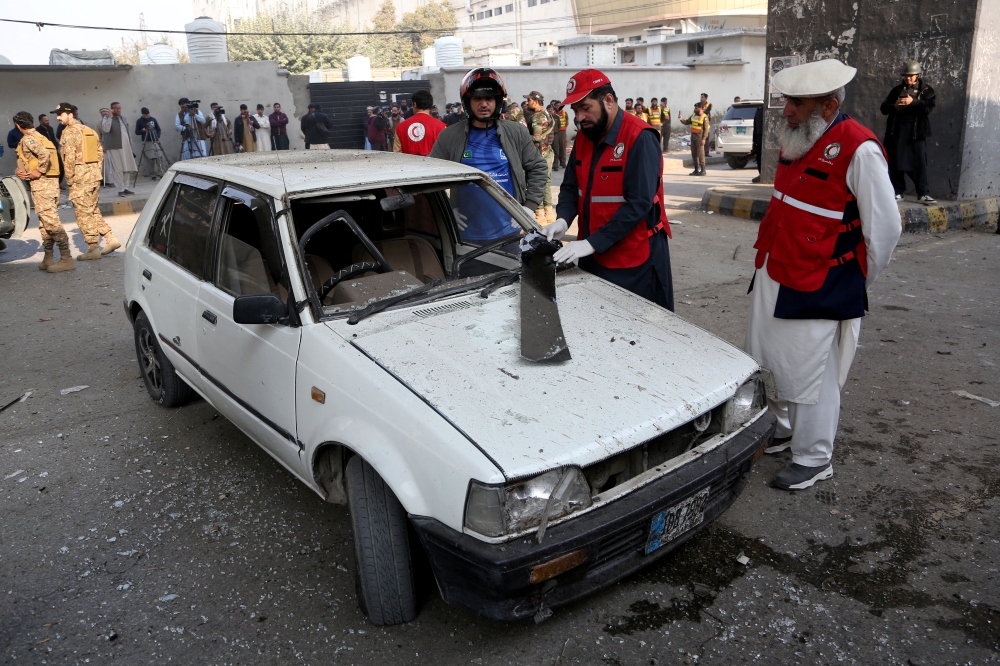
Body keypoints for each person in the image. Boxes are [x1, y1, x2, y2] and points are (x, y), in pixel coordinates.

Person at [746, 59, 901, 491]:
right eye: (786, 101)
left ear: (829, 105)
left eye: (797, 103)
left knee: (809, 372)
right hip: (775, 270)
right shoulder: (798, 138)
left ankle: (814, 456)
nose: (786, 111)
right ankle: (781, 428)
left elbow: (885, 231)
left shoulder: (859, 148)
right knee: (768, 359)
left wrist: (855, 280)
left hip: (820, 281)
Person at [542, 69, 674, 311]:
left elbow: (638, 205)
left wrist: (592, 243)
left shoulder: (639, 138)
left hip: (633, 259)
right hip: (592, 254)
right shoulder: (584, 137)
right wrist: (562, 219)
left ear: (609, 101)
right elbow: (572, 187)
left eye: (586, 108)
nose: (580, 117)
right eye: (575, 111)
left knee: (636, 332)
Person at [429, 68, 548, 244]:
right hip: (465, 234)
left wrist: (529, 207)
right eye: (477, 98)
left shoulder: (516, 133)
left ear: (498, 100)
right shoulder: (450, 136)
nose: (483, 104)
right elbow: (428, 175)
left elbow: (538, 167)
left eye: (489, 98)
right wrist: (446, 209)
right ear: (467, 101)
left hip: (510, 231)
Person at [55, 102, 120, 260]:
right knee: (92, 210)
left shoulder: (69, 132)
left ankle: (92, 248)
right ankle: (110, 238)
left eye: (61, 114)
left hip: (80, 179)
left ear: (70, 114)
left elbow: (68, 160)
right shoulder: (88, 130)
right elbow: (100, 153)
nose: (58, 117)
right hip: (93, 177)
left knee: (83, 214)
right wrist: (95, 172)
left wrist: (70, 181)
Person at [13, 111, 75, 272]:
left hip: (42, 185)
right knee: (44, 223)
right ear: (32, 122)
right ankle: (48, 257)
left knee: (52, 222)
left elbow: (44, 154)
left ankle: (66, 258)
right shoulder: (41, 136)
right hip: (49, 184)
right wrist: (22, 171)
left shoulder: (29, 139)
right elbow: (31, 160)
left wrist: (38, 171)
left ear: (18, 126)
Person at [880, 60, 936, 203]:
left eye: (911, 75)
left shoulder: (926, 91)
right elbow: (884, 108)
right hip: (897, 131)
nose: (908, 78)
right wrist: (895, 106)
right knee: (895, 161)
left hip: (916, 132)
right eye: (905, 75)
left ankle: (923, 193)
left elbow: (928, 108)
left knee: (919, 163)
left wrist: (913, 102)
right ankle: (898, 192)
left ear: (917, 75)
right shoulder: (897, 90)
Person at [524, 91, 556, 224]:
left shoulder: (537, 117)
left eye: (529, 100)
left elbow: (537, 138)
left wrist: (523, 135)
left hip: (539, 154)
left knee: (536, 182)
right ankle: (549, 214)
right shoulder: (547, 114)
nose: (527, 102)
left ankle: (539, 216)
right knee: (546, 182)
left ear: (536, 101)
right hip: (548, 151)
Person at [393, 89, 446, 156]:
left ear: (414, 104)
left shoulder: (400, 127)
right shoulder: (442, 127)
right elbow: (446, 153)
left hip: (409, 165)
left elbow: (397, 154)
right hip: (434, 165)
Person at [100, 102, 137, 196]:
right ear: (111, 109)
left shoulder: (123, 118)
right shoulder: (106, 118)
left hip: (126, 147)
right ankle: (120, 189)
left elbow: (127, 132)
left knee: (127, 167)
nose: (118, 110)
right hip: (115, 146)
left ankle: (126, 188)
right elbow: (106, 129)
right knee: (118, 169)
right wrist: (110, 117)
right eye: (115, 108)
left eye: (119, 108)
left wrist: (131, 146)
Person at [134, 107, 167, 179]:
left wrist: (157, 135)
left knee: (159, 157)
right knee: (149, 159)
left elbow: (158, 129)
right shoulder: (139, 121)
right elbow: (136, 132)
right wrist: (142, 131)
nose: (146, 116)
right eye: (145, 114)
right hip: (147, 141)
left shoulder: (153, 119)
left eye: (147, 114)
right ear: (142, 114)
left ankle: (161, 172)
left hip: (155, 140)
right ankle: (152, 174)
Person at [679, 102, 709, 176]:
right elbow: (687, 122)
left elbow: (706, 129)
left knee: (700, 154)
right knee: (694, 154)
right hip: (693, 137)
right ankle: (696, 170)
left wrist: (704, 139)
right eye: (695, 107)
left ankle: (703, 170)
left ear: (701, 108)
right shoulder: (693, 115)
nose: (695, 109)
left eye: (697, 108)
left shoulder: (704, 117)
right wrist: (681, 119)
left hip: (700, 138)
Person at [36, 114, 64, 184]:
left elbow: (53, 138)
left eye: (48, 120)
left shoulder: (50, 128)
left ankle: (58, 183)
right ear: (41, 121)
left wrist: (56, 145)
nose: (47, 122)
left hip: (54, 151)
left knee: (61, 167)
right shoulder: (37, 130)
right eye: (45, 120)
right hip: (46, 153)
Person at [552, 101, 569, 171]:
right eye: (557, 105)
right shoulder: (553, 113)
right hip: (555, 131)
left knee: (562, 146)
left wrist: (564, 128)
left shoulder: (564, 112)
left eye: (560, 105)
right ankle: (555, 163)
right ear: (554, 106)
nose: (558, 106)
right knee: (556, 147)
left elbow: (567, 121)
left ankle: (563, 162)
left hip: (562, 131)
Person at [751, 103, 764, 182]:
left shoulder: (759, 111)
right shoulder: (760, 111)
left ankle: (761, 174)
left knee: (759, 157)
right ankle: (762, 175)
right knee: (759, 157)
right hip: (761, 136)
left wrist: (754, 142)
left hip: (759, 137)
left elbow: (755, 128)